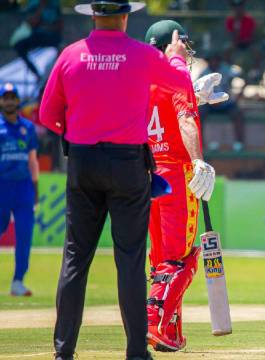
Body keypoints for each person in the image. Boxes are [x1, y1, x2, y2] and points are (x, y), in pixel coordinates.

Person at [38, 1, 194, 359]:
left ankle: (63, 352)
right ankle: (137, 352)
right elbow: (183, 85)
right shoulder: (141, 54)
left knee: (75, 259)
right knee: (130, 260)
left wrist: (75, 136)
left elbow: (48, 114)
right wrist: (175, 56)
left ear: (93, 15)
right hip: (127, 165)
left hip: (82, 160)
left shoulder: (71, 55)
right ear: (125, 16)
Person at [143, 19, 222, 352]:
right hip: (176, 174)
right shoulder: (176, 77)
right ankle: (152, 320)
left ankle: (169, 333)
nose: (186, 53)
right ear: (168, 44)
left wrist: (196, 96)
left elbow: (157, 112)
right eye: (182, 45)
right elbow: (184, 118)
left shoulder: (140, 79)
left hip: (148, 177)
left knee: (161, 260)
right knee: (182, 259)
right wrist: (198, 160)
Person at [0, 83, 39, 297]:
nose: (9, 101)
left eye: (12, 97)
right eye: (5, 97)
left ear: (17, 100)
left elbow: (32, 160)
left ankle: (18, 281)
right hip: (2, 187)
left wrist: (36, 188)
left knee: (24, 236)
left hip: (24, 187)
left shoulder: (28, 127)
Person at [200, 51, 246, 151]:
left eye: (216, 60)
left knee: (238, 114)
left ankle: (239, 144)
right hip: (210, 103)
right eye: (212, 60)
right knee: (198, 114)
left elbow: (243, 77)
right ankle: (201, 144)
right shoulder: (204, 73)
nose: (214, 62)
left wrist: (240, 94)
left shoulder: (226, 69)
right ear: (208, 61)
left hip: (226, 102)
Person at [12, 0, 63, 80]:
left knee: (62, 48)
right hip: (37, 35)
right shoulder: (34, 3)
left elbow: (60, 25)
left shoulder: (55, 3)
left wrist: (47, 27)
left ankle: (56, 74)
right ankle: (37, 74)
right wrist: (41, 6)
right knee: (19, 46)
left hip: (52, 36)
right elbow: (32, 22)